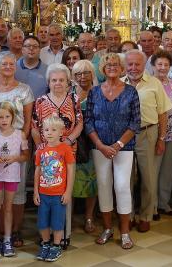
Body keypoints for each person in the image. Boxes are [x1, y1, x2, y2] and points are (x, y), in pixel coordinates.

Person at [85, 53, 141, 249]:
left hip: (124, 147)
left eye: (116, 64)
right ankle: (108, 229)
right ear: (102, 68)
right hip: (99, 147)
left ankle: (125, 232)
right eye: (108, 64)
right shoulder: (94, 92)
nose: (112, 67)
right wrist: (100, 145)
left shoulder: (131, 92)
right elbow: (88, 121)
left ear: (122, 68)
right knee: (103, 185)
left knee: (122, 186)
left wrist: (118, 145)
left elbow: (135, 122)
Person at [0, 51, 35, 247]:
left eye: (11, 64)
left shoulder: (25, 89)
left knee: (17, 189)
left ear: (15, 66)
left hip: (17, 144)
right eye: (3, 64)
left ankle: (14, 231)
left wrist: (21, 140)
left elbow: (28, 120)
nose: (7, 67)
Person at [123, 50, 172, 233]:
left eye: (137, 64)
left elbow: (163, 113)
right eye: (130, 64)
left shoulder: (154, 83)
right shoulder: (119, 83)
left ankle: (145, 216)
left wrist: (161, 138)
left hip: (147, 133)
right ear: (125, 65)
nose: (133, 68)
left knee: (148, 178)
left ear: (144, 65)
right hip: (125, 136)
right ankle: (127, 215)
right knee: (125, 179)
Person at [0, 101, 28, 259]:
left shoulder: (20, 135)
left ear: (13, 117)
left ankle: (7, 240)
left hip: (12, 177)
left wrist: (14, 158)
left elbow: (25, 156)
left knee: (9, 207)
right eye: (0, 117)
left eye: (7, 116)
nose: (4, 120)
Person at [33, 116, 76, 262]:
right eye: (46, 130)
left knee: (57, 222)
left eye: (53, 130)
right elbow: (37, 171)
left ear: (61, 132)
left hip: (58, 194)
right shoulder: (41, 150)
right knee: (43, 222)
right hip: (43, 194)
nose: (49, 133)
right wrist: (36, 191)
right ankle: (45, 244)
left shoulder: (65, 149)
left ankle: (56, 246)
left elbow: (71, 170)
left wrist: (68, 191)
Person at [151, 51, 172, 217]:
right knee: (153, 170)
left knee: (167, 170)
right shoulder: (148, 83)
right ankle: (152, 205)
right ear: (153, 66)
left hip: (171, 133)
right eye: (159, 64)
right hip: (153, 133)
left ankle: (164, 202)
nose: (162, 67)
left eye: (166, 65)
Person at [70, 60, 99, 235]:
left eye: (86, 72)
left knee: (91, 181)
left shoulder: (98, 92)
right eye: (78, 73)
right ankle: (69, 217)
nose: (82, 77)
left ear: (92, 74)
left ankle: (89, 217)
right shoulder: (69, 94)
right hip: (73, 143)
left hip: (93, 143)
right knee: (71, 181)